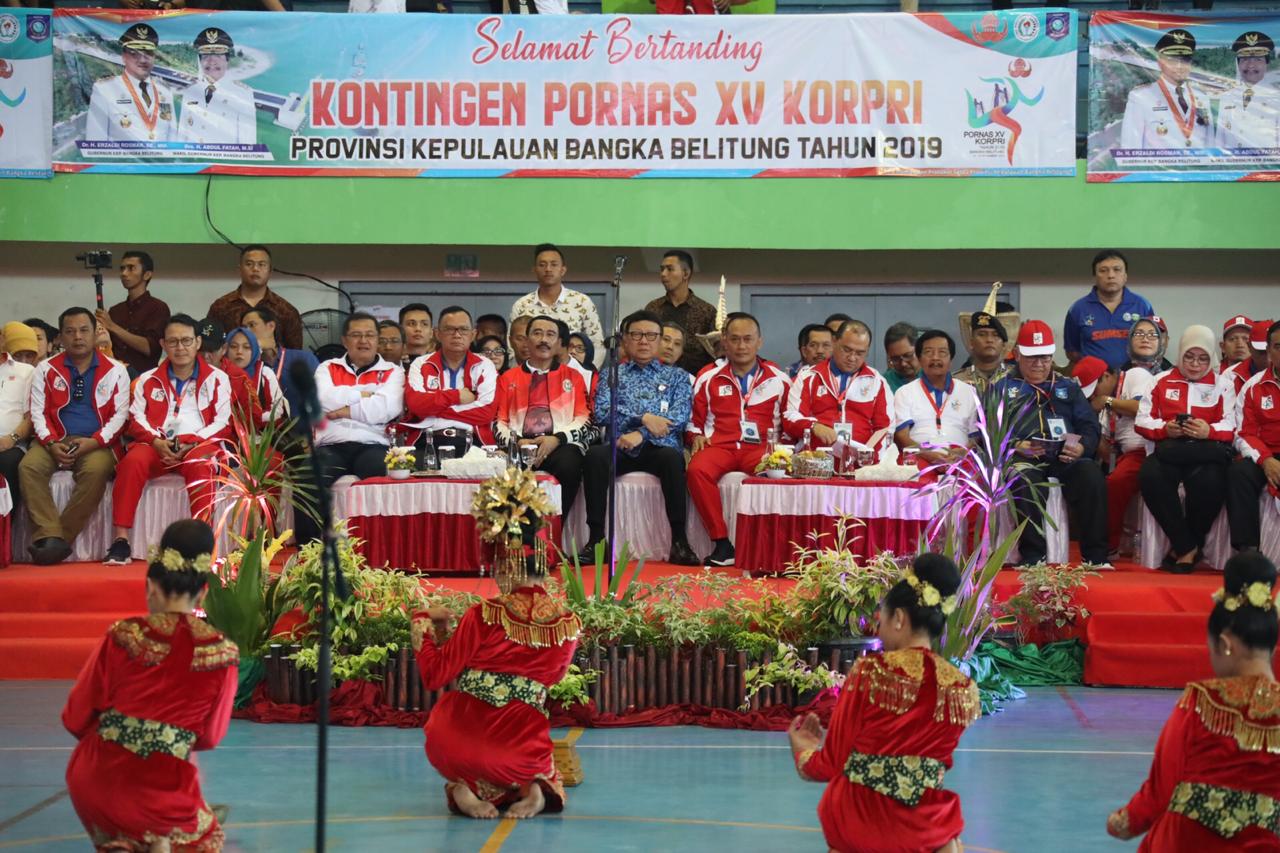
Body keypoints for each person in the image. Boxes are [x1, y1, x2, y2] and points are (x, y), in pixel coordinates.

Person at [63, 519, 238, 852]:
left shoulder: (125, 634)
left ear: (152, 586)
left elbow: (75, 716)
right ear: (203, 592)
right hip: (165, 785)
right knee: (202, 836)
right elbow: (209, 737)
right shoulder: (222, 652)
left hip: (97, 778)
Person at [788, 554, 979, 853]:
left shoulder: (872, 672)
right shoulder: (961, 688)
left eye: (882, 620)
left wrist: (803, 750)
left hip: (861, 824)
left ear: (899, 618)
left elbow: (831, 764)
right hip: (926, 830)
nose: (879, 631)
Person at [1107, 551, 1280, 850]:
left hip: (1189, 842)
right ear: (1272, 646)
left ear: (1224, 644)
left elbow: (1162, 787)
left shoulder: (1204, 700)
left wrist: (1125, 821)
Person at [412, 547, 581, 819]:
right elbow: (554, 678)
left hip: (457, 742)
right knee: (534, 753)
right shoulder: (568, 624)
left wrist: (422, 621)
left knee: (453, 737)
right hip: (519, 749)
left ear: (509, 568)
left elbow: (435, 675)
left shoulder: (484, 613)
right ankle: (535, 787)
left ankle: (464, 787)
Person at [106, 314, 233, 566]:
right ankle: (121, 540)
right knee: (132, 461)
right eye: (173, 342)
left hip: (197, 445)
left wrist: (193, 442)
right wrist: (156, 442)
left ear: (198, 342)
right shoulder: (147, 379)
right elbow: (136, 418)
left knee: (202, 465)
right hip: (157, 444)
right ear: (163, 344)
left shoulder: (218, 378)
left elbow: (223, 422)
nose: (180, 347)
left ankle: (200, 544)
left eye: (186, 340)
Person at [581, 311, 696, 565]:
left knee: (672, 459)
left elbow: (678, 417)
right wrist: (643, 418)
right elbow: (602, 412)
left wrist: (640, 434)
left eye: (651, 335)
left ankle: (680, 541)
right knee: (595, 456)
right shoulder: (612, 374)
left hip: (659, 448)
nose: (644, 341)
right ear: (625, 340)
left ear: (660, 340)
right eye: (637, 335)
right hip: (620, 446)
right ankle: (596, 540)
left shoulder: (677, 377)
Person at [994, 320, 1109, 566]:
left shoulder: (1068, 387)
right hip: (1024, 459)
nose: (1039, 364)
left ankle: (1096, 557)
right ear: (1018, 355)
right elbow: (988, 433)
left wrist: (1081, 448)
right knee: (1025, 479)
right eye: (1032, 357)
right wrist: (1016, 446)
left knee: (1091, 474)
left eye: (1045, 357)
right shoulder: (1002, 388)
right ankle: (1033, 557)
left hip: (1065, 458)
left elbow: (1089, 426)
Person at [21, 309, 130, 566]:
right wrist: (51, 443)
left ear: (95, 334)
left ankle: (57, 541)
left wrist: (95, 441)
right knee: (28, 467)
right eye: (70, 331)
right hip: (53, 439)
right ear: (60, 337)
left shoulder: (116, 370)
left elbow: (120, 416)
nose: (78, 337)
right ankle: (51, 536)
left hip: (96, 442)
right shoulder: (46, 369)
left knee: (96, 470)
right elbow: (37, 412)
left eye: (84, 330)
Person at [687, 313, 790, 568]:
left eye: (747, 339)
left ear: (759, 342)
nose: (741, 346)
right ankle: (722, 543)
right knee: (697, 470)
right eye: (734, 339)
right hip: (719, 445)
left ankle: (769, 545)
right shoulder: (708, 376)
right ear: (724, 341)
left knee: (776, 472)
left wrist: (784, 449)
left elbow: (789, 421)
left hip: (761, 448)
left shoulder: (778, 378)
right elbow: (693, 421)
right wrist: (696, 436)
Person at [1135, 325, 1237, 573]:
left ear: (1212, 357)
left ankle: (1184, 548)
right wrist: (1165, 429)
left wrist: (1208, 431)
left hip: (1206, 452)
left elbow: (1233, 424)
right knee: (1150, 475)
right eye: (1189, 357)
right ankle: (1187, 546)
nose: (1195, 364)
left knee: (1211, 481)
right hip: (1170, 449)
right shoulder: (1160, 381)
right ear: (1180, 354)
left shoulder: (1224, 385)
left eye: (1202, 358)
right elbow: (1142, 420)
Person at [302, 313, 405, 543]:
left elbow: (386, 409)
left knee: (380, 475)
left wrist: (341, 410)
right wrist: (365, 394)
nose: (363, 341)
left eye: (370, 335)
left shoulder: (393, 371)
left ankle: (380, 549)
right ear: (344, 340)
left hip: (373, 443)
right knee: (307, 477)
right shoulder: (328, 367)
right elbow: (321, 399)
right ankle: (308, 550)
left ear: (377, 339)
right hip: (331, 444)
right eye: (356, 335)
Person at [494, 316, 592, 518]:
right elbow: (498, 421)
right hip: (518, 445)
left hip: (559, 446)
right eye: (537, 333)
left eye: (550, 335)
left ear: (559, 343)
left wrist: (557, 439)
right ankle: (517, 531)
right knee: (500, 468)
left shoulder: (573, 377)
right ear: (526, 340)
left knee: (570, 463)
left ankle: (554, 527)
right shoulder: (508, 377)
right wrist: (517, 441)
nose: (543, 340)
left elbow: (584, 418)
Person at [1096, 319, 1164, 557]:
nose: (1145, 338)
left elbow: (1138, 408)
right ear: (1128, 342)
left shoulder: (1167, 374)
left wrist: (1105, 401)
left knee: (1116, 482)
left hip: (1155, 448)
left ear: (1162, 343)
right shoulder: (1123, 376)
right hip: (1132, 452)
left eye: (1152, 335)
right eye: (1139, 334)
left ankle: (1107, 544)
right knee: (1110, 481)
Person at [784, 319, 892, 451]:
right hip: (815, 459)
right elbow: (789, 417)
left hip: (862, 460)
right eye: (847, 350)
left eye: (860, 353)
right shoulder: (808, 377)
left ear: (867, 351)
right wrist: (814, 426)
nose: (852, 358)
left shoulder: (877, 382)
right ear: (834, 342)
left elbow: (885, 428)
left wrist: (867, 456)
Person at [404, 306, 498, 451]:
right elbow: (416, 405)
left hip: (472, 441)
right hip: (427, 440)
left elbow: (486, 412)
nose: (457, 335)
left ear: (473, 334)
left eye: (463, 329)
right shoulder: (421, 364)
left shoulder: (485, 365)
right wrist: (457, 396)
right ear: (437, 334)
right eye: (449, 329)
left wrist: (434, 410)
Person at [1227, 320, 1280, 553]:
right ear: (1268, 351)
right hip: (1266, 453)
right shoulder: (1253, 387)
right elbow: (1244, 433)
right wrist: (1266, 460)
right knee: (1239, 473)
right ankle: (1247, 551)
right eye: (1278, 346)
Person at [893, 330, 981, 466]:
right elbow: (901, 436)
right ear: (919, 358)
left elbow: (976, 437)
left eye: (942, 352)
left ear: (951, 359)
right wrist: (928, 455)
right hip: (919, 454)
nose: (935, 358)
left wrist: (963, 452)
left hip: (959, 456)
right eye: (928, 352)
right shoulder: (904, 392)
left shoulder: (969, 392)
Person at [510, 245, 604, 369]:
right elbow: (512, 347)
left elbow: (597, 345)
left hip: (572, 376)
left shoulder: (582, 302)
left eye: (554, 264)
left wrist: (584, 373)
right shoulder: (522, 305)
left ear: (563, 270)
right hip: (532, 375)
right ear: (534, 270)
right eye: (542, 265)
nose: (548, 269)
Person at [1120, 29, 1215, 150]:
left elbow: (1211, 144)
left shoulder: (1201, 97)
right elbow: (1130, 148)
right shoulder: (1141, 97)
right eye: (1172, 60)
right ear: (1160, 63)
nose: (1179, 66)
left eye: (1185, 60)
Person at [84, 24, 178, 143]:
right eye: (135, 53)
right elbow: (95, 141)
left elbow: (173, 139)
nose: (142, 59)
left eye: (148, 53)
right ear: (124, 57)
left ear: (154, 57)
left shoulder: (164, 91)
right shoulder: (105, 90)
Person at [1063, 250, 1156, 369]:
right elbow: (1072, 351)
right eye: (1103, 270)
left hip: (1133, 377)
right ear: (1095, 276)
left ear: (1125, 276)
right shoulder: (1078, 309)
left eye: (1117, 269)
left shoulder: (1142, 306)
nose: (1111, 275)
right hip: (1095, 379)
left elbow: (1153, 343)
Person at [207, 245, 303, 350]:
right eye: (249, 264)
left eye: (261, 264)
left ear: (270, 271)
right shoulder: (221, 307)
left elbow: (296, 353)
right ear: (240, 269)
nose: (255, 269)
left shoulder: (286, 311)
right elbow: (209, 347)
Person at [241, 305, 318, 437]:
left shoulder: (302, 358)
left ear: (271, 326)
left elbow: (321, 396)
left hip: (301, 434)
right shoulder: (244, 365)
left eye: (252, 325)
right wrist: (256, 352)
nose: (247, 332)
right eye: (244, 328)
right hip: (259, 436)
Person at [96, 250, 169, 377]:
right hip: (115, 378)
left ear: (147, 274)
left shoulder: (158, 308)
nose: (124, 273)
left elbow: (150, 348)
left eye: (131, 268)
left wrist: (112, 326)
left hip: (144, 379)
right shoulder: (115, 310)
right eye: (122, 268)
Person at [178, 27, 256, 145]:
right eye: (205, 56)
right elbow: (181, 138)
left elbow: (248, 145)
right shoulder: (191, 91)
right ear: (200, 61)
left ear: (227, 60)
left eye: (218, 56)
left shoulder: (243, 94)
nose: (211, 61)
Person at [643, 250, 716, 376]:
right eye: (662, 269)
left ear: (686, 273)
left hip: (694, 380)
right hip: (654, 379)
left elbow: (714, 354)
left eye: (670, 269)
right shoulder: (653, 308)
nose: (663, 274)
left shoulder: (706, 311)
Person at [1217, 31, 1279, 150]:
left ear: (1267, 64)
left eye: (1258, 59)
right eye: (1245, 59)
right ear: (1238, 64)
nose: (1250, 65)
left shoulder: (1276, 98)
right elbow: (1219, 142)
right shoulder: (1227, 97)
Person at [0, 323, 36, 513]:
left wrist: (11, 439)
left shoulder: (25, 371)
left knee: (7, 461)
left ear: (2, 340)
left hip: (11, 444)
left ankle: (4, 526)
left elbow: (30, 417)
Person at [224, 326, 287, 427]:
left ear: (254, 350)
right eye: (233, 346)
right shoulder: (218, 373)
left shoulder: (264, 373)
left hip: (260, 434)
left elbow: (277, 412)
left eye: (247, 347)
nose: (239, 351)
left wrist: (249, 419)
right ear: (225, 349)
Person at [954, 311, 1011, 394]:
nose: (989, 340)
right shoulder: (957, 380)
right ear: (971, 343)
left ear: (1004, 344)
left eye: (995, 335)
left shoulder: (1017, 377)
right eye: (982, 335)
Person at [1228, 318, 1272, 396]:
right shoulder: (1230, 375)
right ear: (1249, 346)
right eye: (1262, 352)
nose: (1268, 358)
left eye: (1272, 351)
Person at [882, 322, 920, 393]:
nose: (903, 364)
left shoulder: (935, 378)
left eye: (907, 355)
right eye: (895, 359)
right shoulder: (883, 383)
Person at [566, 332, 600, 405]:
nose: (573, 351)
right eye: (570, 346)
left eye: (580, 348)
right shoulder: (555, 370)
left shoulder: (593, 377)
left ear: (588, 353)